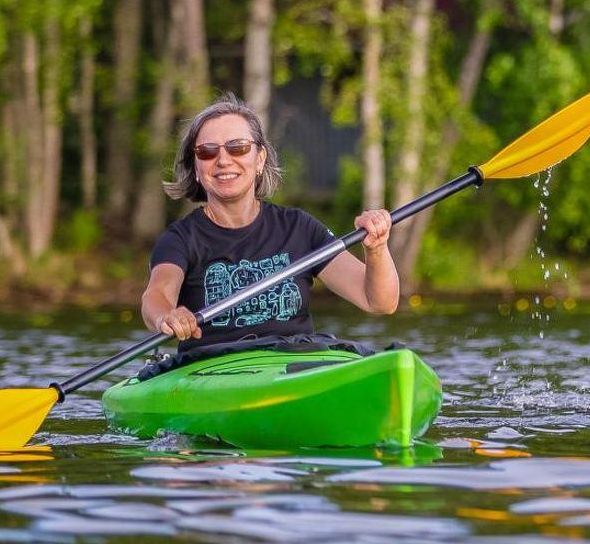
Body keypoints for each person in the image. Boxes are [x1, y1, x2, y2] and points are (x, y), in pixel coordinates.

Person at [141, 94, 399, 355]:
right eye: (207, 152)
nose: (223, 160)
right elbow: (157, 295)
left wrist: (376, 250)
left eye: (237, 147)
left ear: (260, 158)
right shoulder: (180, 239)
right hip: (213, 370)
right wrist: (167, 317)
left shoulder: (299, 228)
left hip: (295, 364)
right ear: (196, 168)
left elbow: (379, 301)